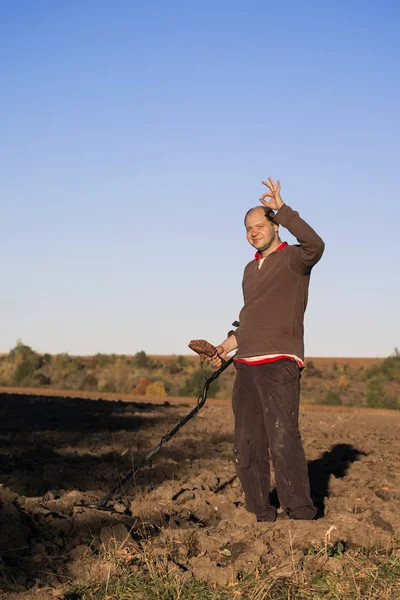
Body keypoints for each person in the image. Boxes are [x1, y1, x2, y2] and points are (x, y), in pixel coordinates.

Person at [208, 178, 325, 522]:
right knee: (247, 442)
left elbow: (316, 244)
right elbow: (250, 318)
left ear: (274, 226)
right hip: (245, 364)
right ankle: (260, 511)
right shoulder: (249, 269)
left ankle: (301, 513)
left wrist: (284, 209)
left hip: (279, 363)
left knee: (283, 436)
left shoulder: (293, 260)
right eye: (248, 228)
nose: (254, 232)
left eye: (260, 225)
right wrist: (225, 347)